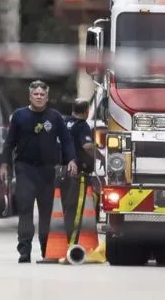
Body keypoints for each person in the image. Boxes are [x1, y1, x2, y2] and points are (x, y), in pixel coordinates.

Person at [0, 80, 77, 263]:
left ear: (47, 97)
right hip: (25, 169)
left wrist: (71, 160)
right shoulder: (19, 116)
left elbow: (66, 141)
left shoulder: (55, 117)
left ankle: (46, 249)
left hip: (47, 171)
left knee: (46, 213)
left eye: (42, 94)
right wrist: (5, 164)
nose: (39, 97)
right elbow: (9, 143)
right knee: (25, 210)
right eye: (36, 94)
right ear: (30, 96)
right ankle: (24, 250)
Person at [61, 99, 97, 242]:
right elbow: (87, 145)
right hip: (79, 173)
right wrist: (98, 150)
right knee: (76, 208)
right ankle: (72, 241)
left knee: (64, 206)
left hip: (62, 171)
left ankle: (64, 238)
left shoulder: (65, 123)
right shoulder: (82, 126)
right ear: (87, 111)